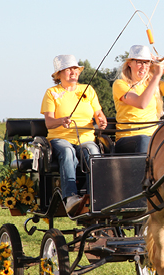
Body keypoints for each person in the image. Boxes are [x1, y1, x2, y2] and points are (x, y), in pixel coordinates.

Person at [41, 54, 108, 214]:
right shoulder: (51, 93)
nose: (73, 72)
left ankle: (94, 194)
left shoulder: (88, 90)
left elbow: (99, 114)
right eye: (68, 69)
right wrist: (61, 121)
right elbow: (49, 122)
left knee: (92, 151)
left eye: (75, 69)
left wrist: (102, 121)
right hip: (60, 138)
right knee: (67, 151)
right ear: (59, 74)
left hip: (85, 138)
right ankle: (70, 197)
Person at [112, 45, 164, 153]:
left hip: (153, 137)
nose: (143, 67)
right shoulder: (120, 84)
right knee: (144, 140)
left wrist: (163, 69)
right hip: (128, 138)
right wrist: (156, 76)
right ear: (129, 63)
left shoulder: (153, 85)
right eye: (139, 62)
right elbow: (141, 103)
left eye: (147, 63)